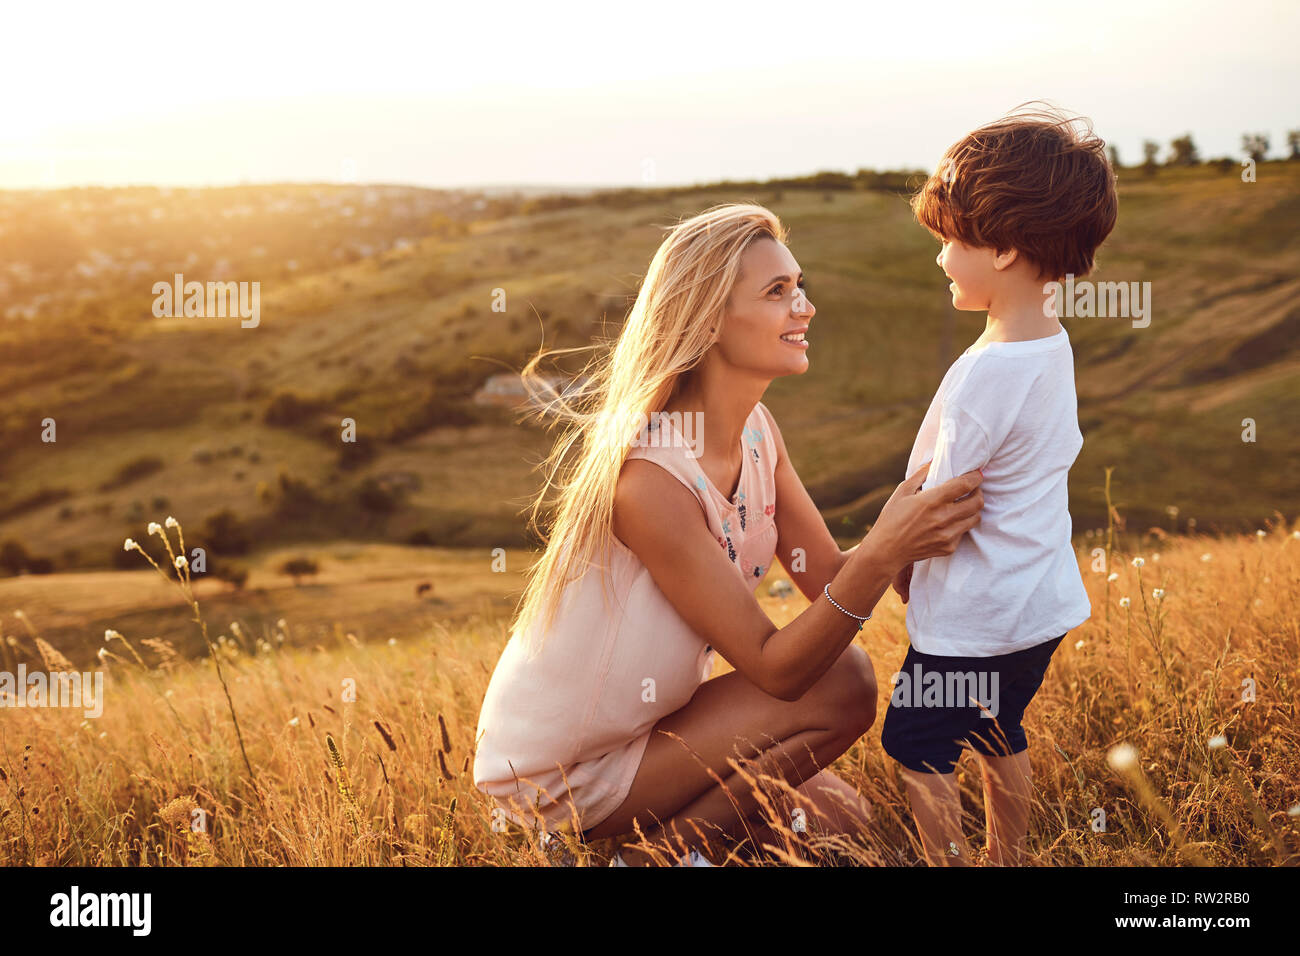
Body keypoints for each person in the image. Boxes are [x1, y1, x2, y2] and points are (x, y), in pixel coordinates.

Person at [472, 202, 985, 866]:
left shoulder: (757, 433)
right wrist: (886, 545)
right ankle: (649, 860)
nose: (804, 307)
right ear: (710, 320)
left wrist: (922, 531)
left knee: (840, 822)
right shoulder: (650, 481)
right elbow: (779, 671)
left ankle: (679, 842)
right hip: (565, 779)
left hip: (655, 735)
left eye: (798, 286)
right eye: (778, 292)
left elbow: (830, 581)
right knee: (846, 683)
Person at [882, 104, 1118, 865]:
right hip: (1037, 606)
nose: (942, 257)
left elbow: (945, 502)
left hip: (976, 617)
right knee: (994, 727)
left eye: (953, 241)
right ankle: (1007, 858)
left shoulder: (989, 370)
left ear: (1008, 249)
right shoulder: (1050, 344)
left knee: (916, 744)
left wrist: (898, 563)